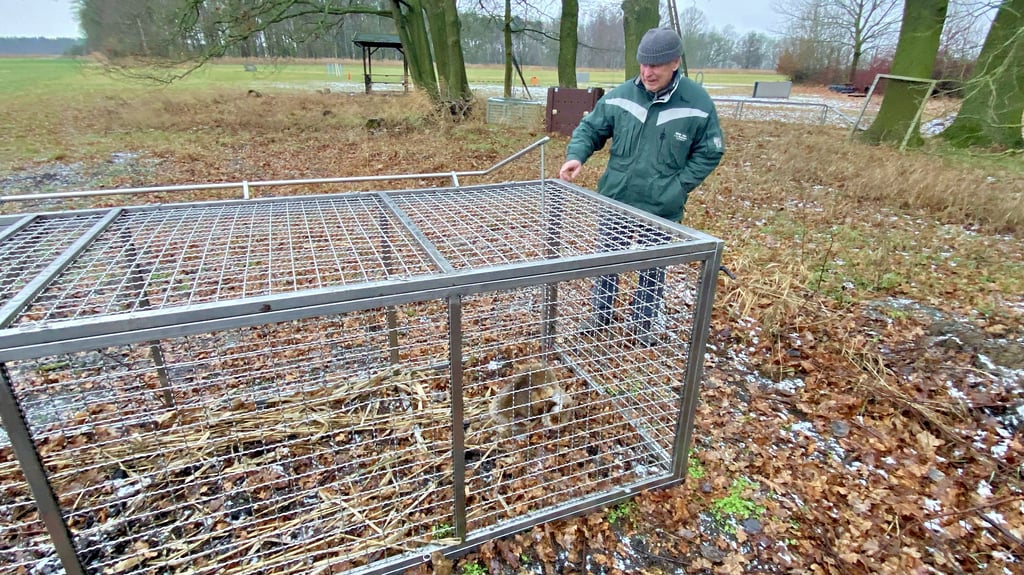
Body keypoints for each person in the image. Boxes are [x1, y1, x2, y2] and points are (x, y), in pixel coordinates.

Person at [558, 27, 724, 345]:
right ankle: (600, 316)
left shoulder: (697, 103)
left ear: (675, 63)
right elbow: (590, 129)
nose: (648, 72)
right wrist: (576, 156)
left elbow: (710, 151)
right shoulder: (621, 96)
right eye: (643, 64)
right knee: (607, 259)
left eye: (656, 65)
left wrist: (678, 186)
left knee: (653, 266)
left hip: (661, 205)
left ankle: (644, 323)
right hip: (616, 198)